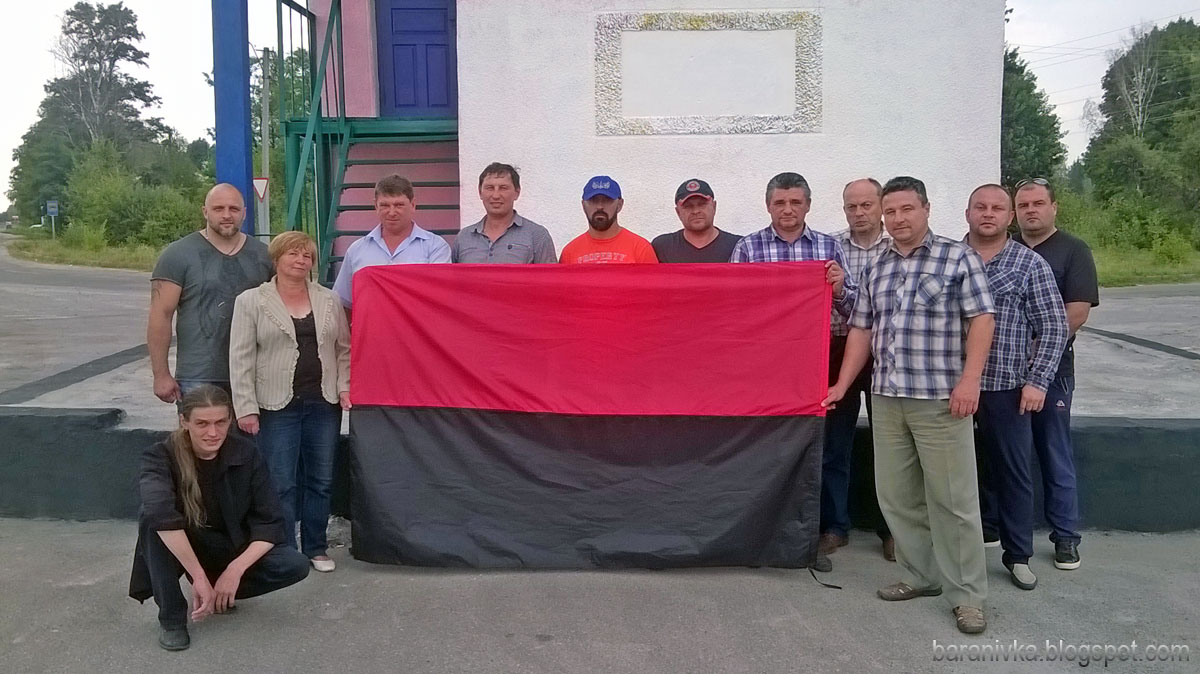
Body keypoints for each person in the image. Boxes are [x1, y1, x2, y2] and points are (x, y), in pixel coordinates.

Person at [823, 176, 995, 634]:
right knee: (897, 497)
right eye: (891, 211)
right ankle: (921, 576)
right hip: (887, 397)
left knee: (953, 502)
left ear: (926, 209)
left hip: (940, 398)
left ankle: (968, 597)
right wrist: (842, 385)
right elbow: (862, 329)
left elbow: (982, 319)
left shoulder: (957, 258)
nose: (897, 219)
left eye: (906, 209)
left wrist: (970, 381)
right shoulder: (877, 266)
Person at [730, 171, 853, 573]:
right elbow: (733, 308)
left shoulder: (829, 247)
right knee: (767, 446)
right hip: (765, 365)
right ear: (768, 206)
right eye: (780, 202)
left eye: (795, 202)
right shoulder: (748, 247)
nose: (787, 209)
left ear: (808, 205)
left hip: (817, 360)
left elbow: (854, 311)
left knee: (819, 444)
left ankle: (817, 532)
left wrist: (839, 288)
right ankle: (762, 530)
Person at [128, 385, 310, 651]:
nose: (213, 433)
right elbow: (161, 514)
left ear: (230, 420)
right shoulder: (160, 456)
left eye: (220, 422)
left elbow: (270, 521)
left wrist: (234, 571)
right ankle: (172, 619)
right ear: (184, 421)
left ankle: (221, 591)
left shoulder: (246, 453)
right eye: (202, 423)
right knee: (150, 519)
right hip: (183, 545)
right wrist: (198, 576)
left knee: (295, 564)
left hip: (228, 543)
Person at [965, 184, 1069, 591]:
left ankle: (1018, 555)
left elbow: (1054, 326)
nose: (988, 214)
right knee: (953, 474)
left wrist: (1037, 382)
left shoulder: (1029, 264)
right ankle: (954, 553)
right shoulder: (949, 259)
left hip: (1007, 387)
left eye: (997, 208)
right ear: (968, 213)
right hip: (952, 386)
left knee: (1013, 473)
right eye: (980, 207)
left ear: (1009, 217)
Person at [229, 231, 351, 574]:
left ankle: (316, 547)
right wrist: (246, 407)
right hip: (275, 405)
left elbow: (344, 349)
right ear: (277, 259)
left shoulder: (329, 300)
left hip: (323, 403)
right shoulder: (251, 301)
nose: (300, 260)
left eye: (306, 255)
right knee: (281, 482)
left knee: (321, 479)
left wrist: (344, 387)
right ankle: (284, 550)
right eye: (293, 254)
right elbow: (240, 358)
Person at [1013, 177, 1099, 571]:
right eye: (1023, 205)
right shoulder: (1008, 249)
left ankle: (1065, 537)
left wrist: (1036, 347)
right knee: (1003, 454)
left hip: (1054, 372)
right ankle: (995, 527)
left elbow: (1076, 312)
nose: (1030, 210)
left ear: (1053, 207)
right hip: (1005, 373)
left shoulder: (1073, 250)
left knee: (1054, 453)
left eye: (1037, 203)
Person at [148, 183, 273, 403]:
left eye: (234, 209)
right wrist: (161, 374)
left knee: (251, 428)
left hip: (255, 373)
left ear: (244, 213)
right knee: (201, 427)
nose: (226, 215)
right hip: (198, 374)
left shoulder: (265, 255)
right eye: (218, 208)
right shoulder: (177, 255)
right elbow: (161, 316)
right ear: (205, 212)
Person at [823, 178, 895, 561]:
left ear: (881, 205)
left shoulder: (899, 246)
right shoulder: (829, 246)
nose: (859, 212)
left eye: (866, 205)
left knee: (892, 444)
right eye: (852, 206)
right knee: (836, 444)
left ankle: (892, 530)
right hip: (839, 350)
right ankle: (836, 526)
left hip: (888, 352)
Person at [332, 174, 452, 310]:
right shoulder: (356, 250)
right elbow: (344, 304)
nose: (392, 212)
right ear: (375, 206)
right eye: (384, 205)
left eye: (399, 205)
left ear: (413, 205)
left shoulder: (436, 248)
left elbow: (440, 298)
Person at [453, 162, 556, 263]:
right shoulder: (463, 238)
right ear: (480, 192)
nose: (496, 195)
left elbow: (550, 274)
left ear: (517, 193)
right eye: (490, 188)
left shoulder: (537, 236)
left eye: (503, 188)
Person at [559, 175, 658, 264]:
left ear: (619, 205)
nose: (599, 206)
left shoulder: (641, 249)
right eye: (593, 200)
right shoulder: (569, 253)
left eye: (607, 200)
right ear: (583, 205)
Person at [651, 179, 741, 262]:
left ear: (714, 206)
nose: (696, 211)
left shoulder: (737, 246)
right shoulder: (662, 247)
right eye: (688, 206)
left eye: (702, 204)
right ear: (678, 212)